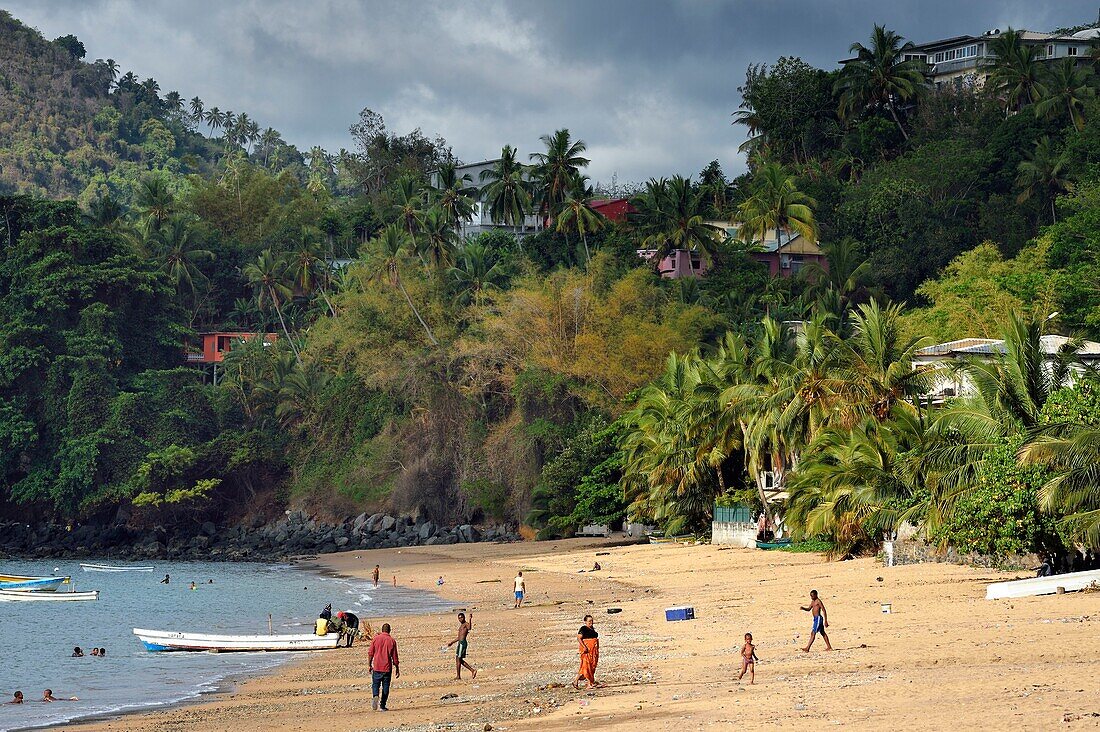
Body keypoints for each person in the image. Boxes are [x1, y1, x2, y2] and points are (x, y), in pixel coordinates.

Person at [367, 622, 399, 712]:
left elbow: (370, 653)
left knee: (375, 684)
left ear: (382, 630)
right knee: (386, 687)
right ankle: (382, 705)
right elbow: (395, 656)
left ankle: (375, 695)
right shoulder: (392, 641)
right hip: (387, 667)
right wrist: (397, 668)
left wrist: (369, 664)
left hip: (377, 666)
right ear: (389, 631)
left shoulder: (375, 639)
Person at [574, 615, 601, 690]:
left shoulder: (592, 629)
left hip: (593, 651)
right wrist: (584, 647)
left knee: (592, 666)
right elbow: (579, 638)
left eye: (592, 621)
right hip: (587, 650)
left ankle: (588, 682)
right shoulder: (583, 629)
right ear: (585, 622)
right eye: (589, 621)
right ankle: (587, 683)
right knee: (586, 666)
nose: (591, 622)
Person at [447, 612, 476, 680]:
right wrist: (452, 642)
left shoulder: (465, 624)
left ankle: (472, 670)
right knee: (458, 659)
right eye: (459, 618)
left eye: (461, 618)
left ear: (464, 618)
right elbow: (459, 637)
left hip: (462, 643)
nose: (460, 619)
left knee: (459, 659)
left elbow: (469, 628)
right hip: (460, 643)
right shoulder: (461, 626)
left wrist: (470, 619)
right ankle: (459, 676)